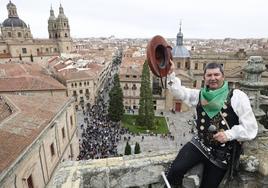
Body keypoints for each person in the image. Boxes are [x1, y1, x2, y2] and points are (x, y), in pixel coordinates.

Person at [165, 61, 258, 188]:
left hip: (222, 154)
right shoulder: (200, 95)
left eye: (216, 75)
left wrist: (229, 134)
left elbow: (251, 128)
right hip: (200, 144)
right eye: (209, 75)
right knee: (174, 171)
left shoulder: (237, 97)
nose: (213, 78)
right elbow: (180, 92)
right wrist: (170, 74)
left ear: (223, 77)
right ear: (204, 78)